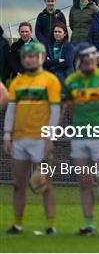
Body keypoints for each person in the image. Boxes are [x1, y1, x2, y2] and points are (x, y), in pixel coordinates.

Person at [3, 41, 61, 235]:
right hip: (19, 139)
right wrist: (7, 135)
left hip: (40, 140)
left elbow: (54, 112)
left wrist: (49, 138)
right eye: (25, 56)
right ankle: (18, 224)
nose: (28, 59)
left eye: (32, 56)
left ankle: (51, 226)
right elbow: (11, 110)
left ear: (42, 58)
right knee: (18, 184)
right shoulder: (17, 82)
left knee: (44, 184)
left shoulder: (50, 81)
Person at [64, 43, 99, 236]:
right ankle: (89, 225)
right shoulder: (72, 81)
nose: (89, 62)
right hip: (79, 139)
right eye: (85, 59)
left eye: (91, 58)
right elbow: (71, 109)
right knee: (85, 183)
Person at [44, 22, 75, 87]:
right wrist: (58, 60)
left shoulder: (69, 46)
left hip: (66, 78)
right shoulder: (49, 46)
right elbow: (45, 62)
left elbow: (68, 62)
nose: (57, 33)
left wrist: (52, 65)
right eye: (55, 31)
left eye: (59, 32)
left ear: (65, 33)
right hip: (52, 78)